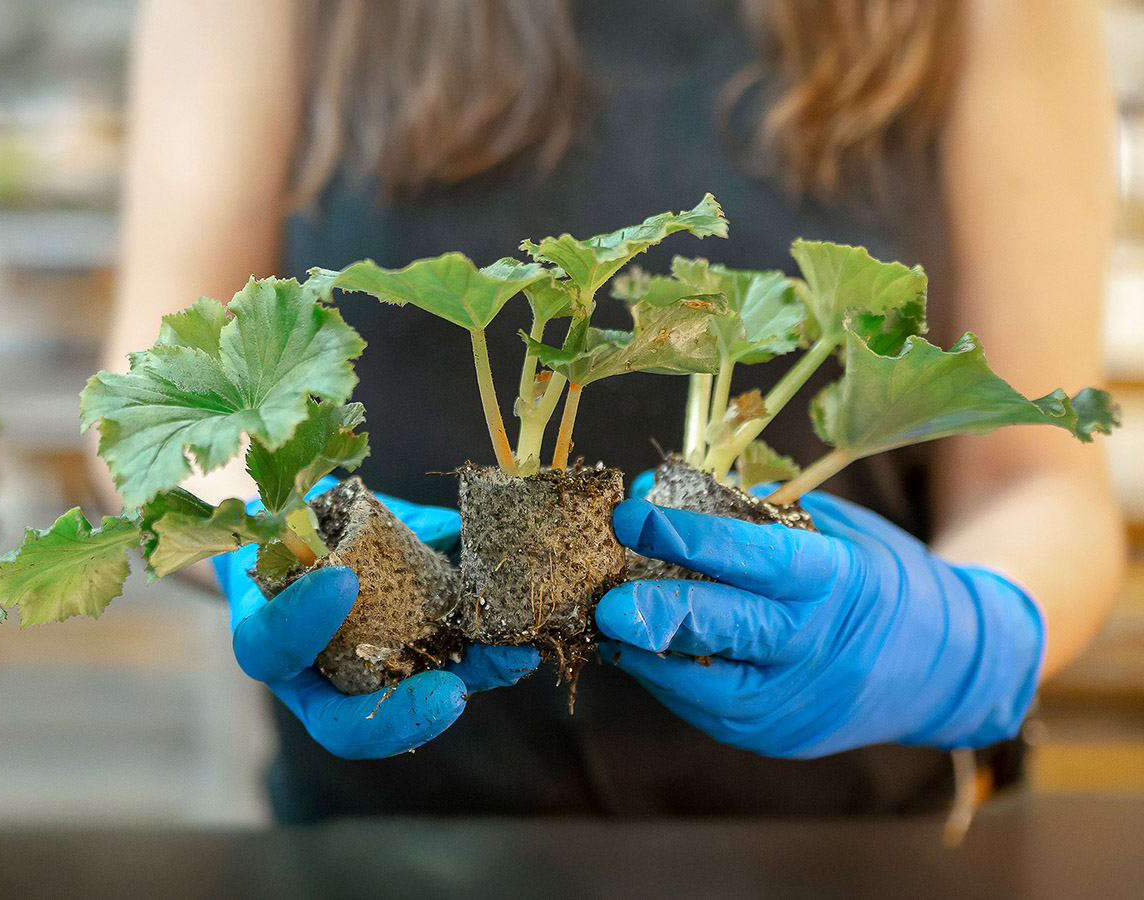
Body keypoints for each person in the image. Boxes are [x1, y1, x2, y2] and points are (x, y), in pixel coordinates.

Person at [103, 0, 1126, 819]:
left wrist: (967, 636)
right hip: (395, 841)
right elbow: (156, 407)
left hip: (847, 845)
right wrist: (279, 537)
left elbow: (1038, 480)